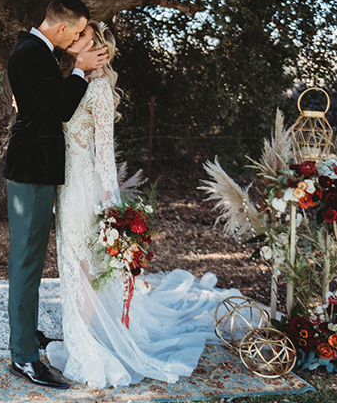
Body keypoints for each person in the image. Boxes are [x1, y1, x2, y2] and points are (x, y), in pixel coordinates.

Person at [46, 21, 244, 388]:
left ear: (98, 47)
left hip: (85, 187)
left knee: (86, 266)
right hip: (66, 184)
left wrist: (113, 212)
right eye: (76, 38)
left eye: (84, 38)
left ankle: (86, 348)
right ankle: (81, 339)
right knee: (73, 263)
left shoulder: (101, 89)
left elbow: (104, 155)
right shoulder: (70, 81)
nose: (76, 41)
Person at [3, 0, 108, 389]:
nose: (82, 37)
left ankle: (26, 336)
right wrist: (80, 69)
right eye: (79, 31)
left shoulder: (35, 52)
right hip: (31, 170)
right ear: (62, 28)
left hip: (36, 167)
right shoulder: (31, 53)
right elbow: (63, 109)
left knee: (30, 261)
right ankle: (24, 358)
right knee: (26, 264)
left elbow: (46, 102)